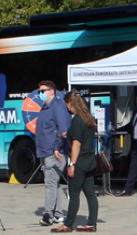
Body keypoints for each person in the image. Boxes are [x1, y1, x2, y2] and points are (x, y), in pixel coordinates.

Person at [52, 92, 99, 233]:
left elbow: (77, 144)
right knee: (90, 194)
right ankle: (91, 223)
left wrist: (71, 164)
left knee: (73, 194)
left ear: (70, 103)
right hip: (90, 161)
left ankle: (67, 225)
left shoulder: (77, 120)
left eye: (67, 105)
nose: (67, 108)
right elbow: (83, 137)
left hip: (80, 162)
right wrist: (69, 134)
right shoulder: (88, 119)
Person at [35, 80, 72, 226]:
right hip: (45, 151)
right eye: (39, 91)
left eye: (42, 91)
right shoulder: (45, 108)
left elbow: (63, 130)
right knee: (53, 183)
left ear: (52, 91)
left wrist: (57, 148)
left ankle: (48, 214)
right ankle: (58, 214)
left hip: (54, 152)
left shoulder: (58, 107)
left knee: (50, 183)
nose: (40, 94)